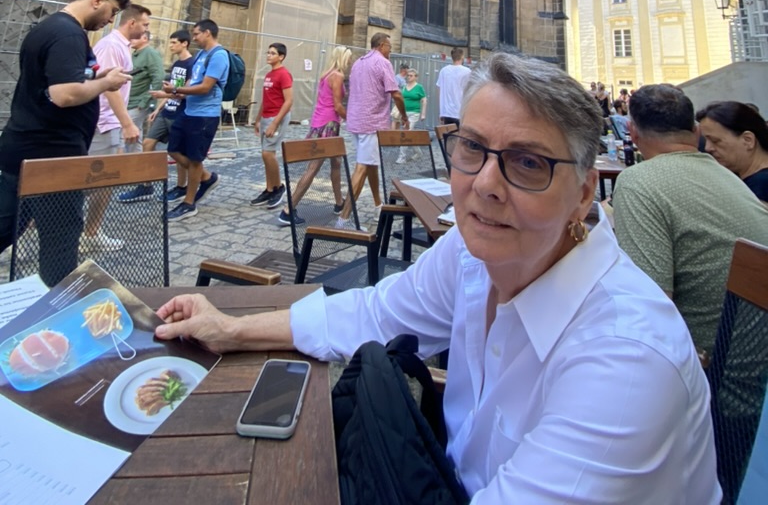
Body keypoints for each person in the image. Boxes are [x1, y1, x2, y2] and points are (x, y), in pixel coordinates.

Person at [156, 52, 720, 504]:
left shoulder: (624, 362)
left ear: (581, 194)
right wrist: (233, 328)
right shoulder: (475, 253)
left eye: (528, 163)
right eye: (471, 148)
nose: (485, 185)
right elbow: (373, 314)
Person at [613, 84, 768, 355]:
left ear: (633, 132)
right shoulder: (729, 177)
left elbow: (649, 309)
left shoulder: (638, 181)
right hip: (753, 366)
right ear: (696, 132)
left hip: (709, 373)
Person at [0, 0, 132, 285]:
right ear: (96, 0)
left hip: (29, 149)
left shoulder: (51, 28)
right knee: (61, 241)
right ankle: (58, 310)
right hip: (52, 157)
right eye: (112, 11)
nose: (111, 19)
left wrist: (96, 75)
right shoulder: (68, 35)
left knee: (9, 224)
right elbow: (65, 94)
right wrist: (105, 83)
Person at [82, 3, 151, 252]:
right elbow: (109, 89)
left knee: (104, 181)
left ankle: (90, 233)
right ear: (131, 23)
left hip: (107, 122)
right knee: (93, 181)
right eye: (144, 24)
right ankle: (86, 235)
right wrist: (127, 123)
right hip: (104, 121)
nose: (146, 30)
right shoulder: (112, 45)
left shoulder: (120, 46)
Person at [118, 29, 195, 204]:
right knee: (147, 143)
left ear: (185, 43)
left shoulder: (192, 64)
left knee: (178, 152)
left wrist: (164, 96)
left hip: (180, 113)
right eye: (171, 42)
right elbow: (171, 87)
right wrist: (158, 108)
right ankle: (146, 185)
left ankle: (183, 185)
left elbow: (184, 92)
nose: (171, 46)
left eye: (174, 42)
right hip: (167, 110)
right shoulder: (176, 65)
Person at [277, 45, 351, 227]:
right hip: (329, 124)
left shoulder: (326, 74)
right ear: (342, 58)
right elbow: (337, 106)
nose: (350, 62)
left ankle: (339, 202)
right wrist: (352, 119)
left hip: (320, 121)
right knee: (313, 168)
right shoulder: (338, 76)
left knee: (336, 162)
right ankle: (288, 209)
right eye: (348, 58)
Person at [162, 19, 228, 221]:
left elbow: (205, 87)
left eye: (197, 33)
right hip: (190, 111)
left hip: (205, 116)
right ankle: (206, 177)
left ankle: (189, 203)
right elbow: (194, 81)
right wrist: (177, 93)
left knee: (194, 159)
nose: (194, 37)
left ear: (207, 33)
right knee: (173, 149)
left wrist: (176, 89)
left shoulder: (219, 56)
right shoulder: (201, 55)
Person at [338, 33, 407, 222]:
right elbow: (397, 95)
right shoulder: (382, 63)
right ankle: (343, 220)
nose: (390, 51)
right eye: (390, 48)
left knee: (370, 164)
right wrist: (404, 116)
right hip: (371, 123)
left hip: (355, 121)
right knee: (362, 168)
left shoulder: (359, 62)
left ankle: (378, 205)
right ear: (382, 45)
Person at [696, 100, 768, 204]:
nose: (708, 148)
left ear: (748, 140)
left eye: (716, 141)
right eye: (706, 140)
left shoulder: (760, 186)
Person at [251, 43, 293, 210]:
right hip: (266, 117)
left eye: (272, 53)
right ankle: (269, 189)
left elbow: (289, 101)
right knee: (265, 154)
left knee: (268, 153)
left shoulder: (284, 74)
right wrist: (258, 119)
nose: (268, 55)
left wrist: (275, 123)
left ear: (281, 56)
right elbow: (266, 98)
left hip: (277, 117)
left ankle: (278, 188)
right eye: (268, 52)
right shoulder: (269, 74)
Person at [126, 30, 164, 136]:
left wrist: (144, 101)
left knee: (126, 133)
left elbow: (159, 78)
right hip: (129, 102)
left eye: (135, 37)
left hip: (137, 104)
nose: (131, 39)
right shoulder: (135, 54)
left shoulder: (151, 54)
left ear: (145, 39)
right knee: (134, 136)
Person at [436, 48, 470, 126]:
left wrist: (441, 112)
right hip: (461, 111)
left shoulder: (444, 71)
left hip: (447, 112)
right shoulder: (467, 72)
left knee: (448, 137)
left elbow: (439, 90)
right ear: (462, 57)